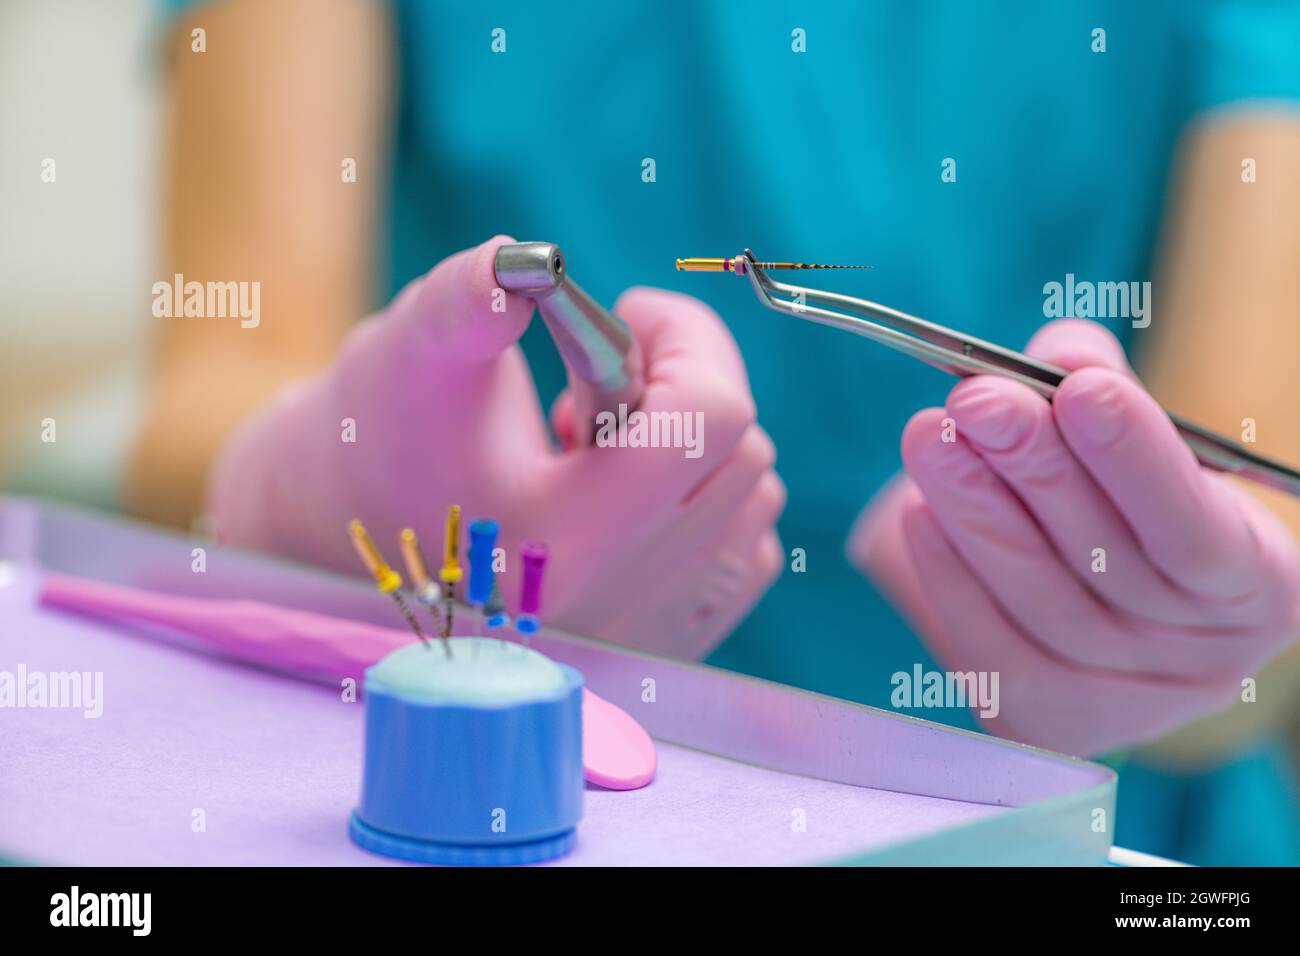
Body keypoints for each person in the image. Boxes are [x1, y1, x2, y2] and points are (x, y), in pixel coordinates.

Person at [133, 0, 1300, 864]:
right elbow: (206, 389)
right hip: (485, 810)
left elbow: (1262, 485)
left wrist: (1194, 634)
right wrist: (293, 494)